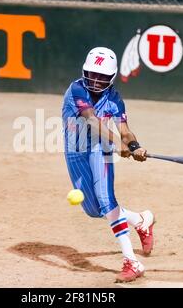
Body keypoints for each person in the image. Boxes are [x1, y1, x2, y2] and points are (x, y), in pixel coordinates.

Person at [62, 47, 155, 283]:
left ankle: (131, 262)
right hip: (75, 151)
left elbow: (124, 130)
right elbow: (92, 120)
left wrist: (134, 146)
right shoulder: (76, 90)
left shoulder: (114, 99)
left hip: (99, 151)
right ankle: (140, 220)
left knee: (106, 201)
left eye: (101, 77)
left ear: (111, 78)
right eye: (91, 74)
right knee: (94, 211)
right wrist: (117, 143)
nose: (94, 80)